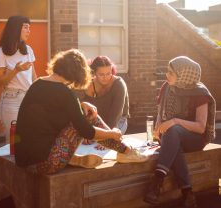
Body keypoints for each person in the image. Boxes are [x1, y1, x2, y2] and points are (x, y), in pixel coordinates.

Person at [14, 49, 148, 174]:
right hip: (46, 163)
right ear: (77, 73)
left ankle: (73, 158)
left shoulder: (38, 84)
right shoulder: (64, 93)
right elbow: (86, 131)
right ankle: (126, 151)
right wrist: (111, 134)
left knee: (83, 113)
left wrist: (81, 104)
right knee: (89, 116)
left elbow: (53, 111)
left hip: (23, 160)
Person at [144, 56, 216, 208]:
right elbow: (160, 112)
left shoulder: (200, 93)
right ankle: (188, 194)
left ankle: (158, 179)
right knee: (173, 142)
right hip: (171, 136)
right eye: (167, 71)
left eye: (171, 72)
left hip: (194, 139)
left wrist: (175, 121)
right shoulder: (167, 87)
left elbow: (200, 127)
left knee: (174, 130)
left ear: (184, 74)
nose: (166, 75)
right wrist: (158, 128)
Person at [0, 16, 36, 143]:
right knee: (14, 143)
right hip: (11, 100)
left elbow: (34, 77)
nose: (29, 31)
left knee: (27, 139)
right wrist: (16, 70)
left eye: (29, 28)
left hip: (28, 99)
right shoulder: (1, 53)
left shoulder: (28, 50)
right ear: (15, 29)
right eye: (25, 27)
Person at [80, 56, 129, 133]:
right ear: (94, 73)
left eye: (108, 73)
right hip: (97, 121)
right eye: (101, 74)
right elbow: (83, 111)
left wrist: (108, 134)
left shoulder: (119, 84)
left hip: (118, 121)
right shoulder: (89, 85)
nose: (105, 77)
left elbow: (115, 115)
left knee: (107, 142)